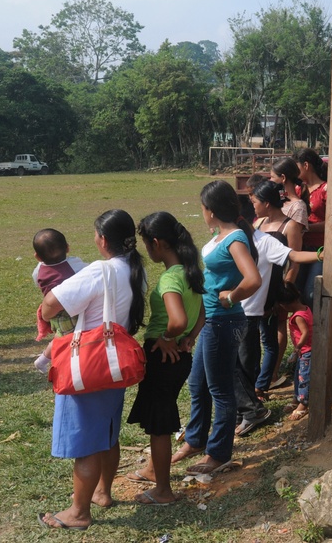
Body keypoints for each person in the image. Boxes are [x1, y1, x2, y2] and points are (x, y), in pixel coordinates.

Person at [38, 210, 147, 530]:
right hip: (114, 363)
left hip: (88, 364)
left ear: (102, 240)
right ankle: (103, 492)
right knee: (107, 434)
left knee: (85, 444)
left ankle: (79, 512)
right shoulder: (135, 269)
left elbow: (50, 305)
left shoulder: (100, 270)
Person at [172, 181, 261, 477]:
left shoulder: (234, 238)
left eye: (202, 207)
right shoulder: (221, 234)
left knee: (221, 391)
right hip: (210, 320)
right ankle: (196, 440)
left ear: (210, 210)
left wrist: (231, 296)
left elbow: (253, 279)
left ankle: (219, 453)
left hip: (223, 321)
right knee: (197, 384)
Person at [124, 211, 204, 506]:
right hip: (180, 356)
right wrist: (189, 339)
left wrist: (168, 338)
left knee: (160, 427)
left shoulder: (170, 278)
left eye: (146, 243)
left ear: (156, 243)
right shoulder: (190, 270)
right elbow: (202, 313)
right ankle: (159, 482)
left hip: (163, 357)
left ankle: (163, 491)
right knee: (163, 421)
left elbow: (178, 319)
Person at [236, 180, 323, 433]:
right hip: (257, 290)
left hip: (277, 288)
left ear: (265, 202)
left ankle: (264, 383)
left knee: (274, 335)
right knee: (259, 337)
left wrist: (286, 290)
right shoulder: (257, 225)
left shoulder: (290, 225)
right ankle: (258, 386)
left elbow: (293, 259)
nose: (253, 206)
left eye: (255, 201)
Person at [31, 229, 87, 372]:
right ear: (67, 247)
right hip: (70, 310)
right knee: (66, 339)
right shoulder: (75, 265)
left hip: (52, 310)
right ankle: (43, 361)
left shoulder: (38, 270)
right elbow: (90, 275)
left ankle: (46, 361)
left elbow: (38, 283)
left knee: (61, 337)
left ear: (37, 256)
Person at [294, 148, 327, 308]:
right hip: (300, 249)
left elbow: (331, 223)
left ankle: (317, 330)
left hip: (320, 249)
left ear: (306, 165)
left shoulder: (326, 189)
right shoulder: (298, 190)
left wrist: (306, 228)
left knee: (311, 294)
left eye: (296, 167)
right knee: (297, 292)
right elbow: (280, 199)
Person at [276, 282, 313, 422]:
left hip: (306, 351)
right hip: (304, 352)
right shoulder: (305, 309)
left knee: (304, 378)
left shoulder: (298, 316)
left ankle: (303, 404)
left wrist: (298, 347)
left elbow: (305, 332)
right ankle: (296, 398)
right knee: (298, 376)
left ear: (285, 305)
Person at [270, 157, 309, 229]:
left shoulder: (298, 207)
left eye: (272, 177)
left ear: (283, 178)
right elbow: (284, 195)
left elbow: (295, 236)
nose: (270, 180)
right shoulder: (279, 200)